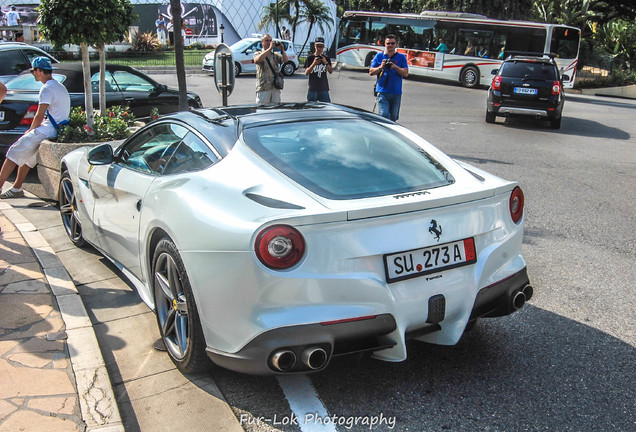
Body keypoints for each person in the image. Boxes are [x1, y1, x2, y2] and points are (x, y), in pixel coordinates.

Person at [0, 57, 70, 199]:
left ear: (39, 70)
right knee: (28, 158)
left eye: (33, 71)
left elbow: (39, 115)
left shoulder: (46, 88)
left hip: (47, 129)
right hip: (57, 129)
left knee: (13, 152)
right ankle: (17, 188)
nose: (33, 74)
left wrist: (30, 130)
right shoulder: (59, 86)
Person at [369, 34, 409, 122]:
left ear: (396, 44)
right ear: (385, 44)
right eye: (388, 43)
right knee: (384, 115)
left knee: (394, 117)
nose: (390, 45)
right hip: (383, 91)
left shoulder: (401, 57)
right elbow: (371, 72)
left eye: (392, 43)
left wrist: (395, 67)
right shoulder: (379, 56)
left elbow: (406, 73)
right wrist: (381, 67)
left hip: (396, 92)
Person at [253, 34, 288, 104]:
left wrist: (282, 49)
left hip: (275, 86)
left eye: (270, 40)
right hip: (264, 87)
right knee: (262, 109)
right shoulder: (258, 53)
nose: (269, 42)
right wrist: (269, 49)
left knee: (275, 109)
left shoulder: (275, 55)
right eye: (266, 40)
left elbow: (285, 60)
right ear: (261, 42)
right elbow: (257, 60)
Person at [304, 36, 333, 102]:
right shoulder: (310, 58)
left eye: (321, 46)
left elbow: (330, 71)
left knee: (326, 107)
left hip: (323, 87)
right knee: (311, 109)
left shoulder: (326, 58)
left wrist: (326, 63)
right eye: (318, 46)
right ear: (315, 46)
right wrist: (314, 63)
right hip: (313, 88)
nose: (319, 48)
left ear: (323, 47)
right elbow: (306, 73)